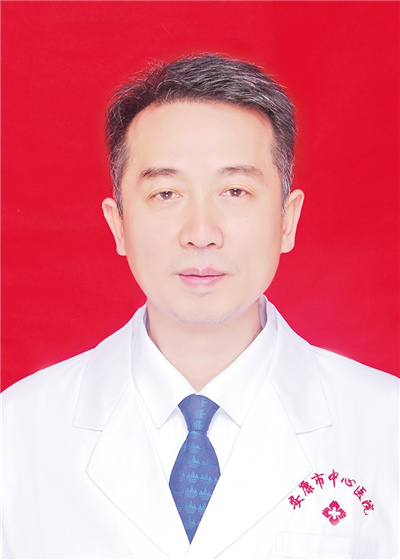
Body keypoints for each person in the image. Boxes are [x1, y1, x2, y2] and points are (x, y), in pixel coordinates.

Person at [2, 54, 398, 560]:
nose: (201, 233)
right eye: (166, 193)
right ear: (118, 224)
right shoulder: (18, 431)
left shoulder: (385, 426)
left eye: (235, 190)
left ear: (287, 220)